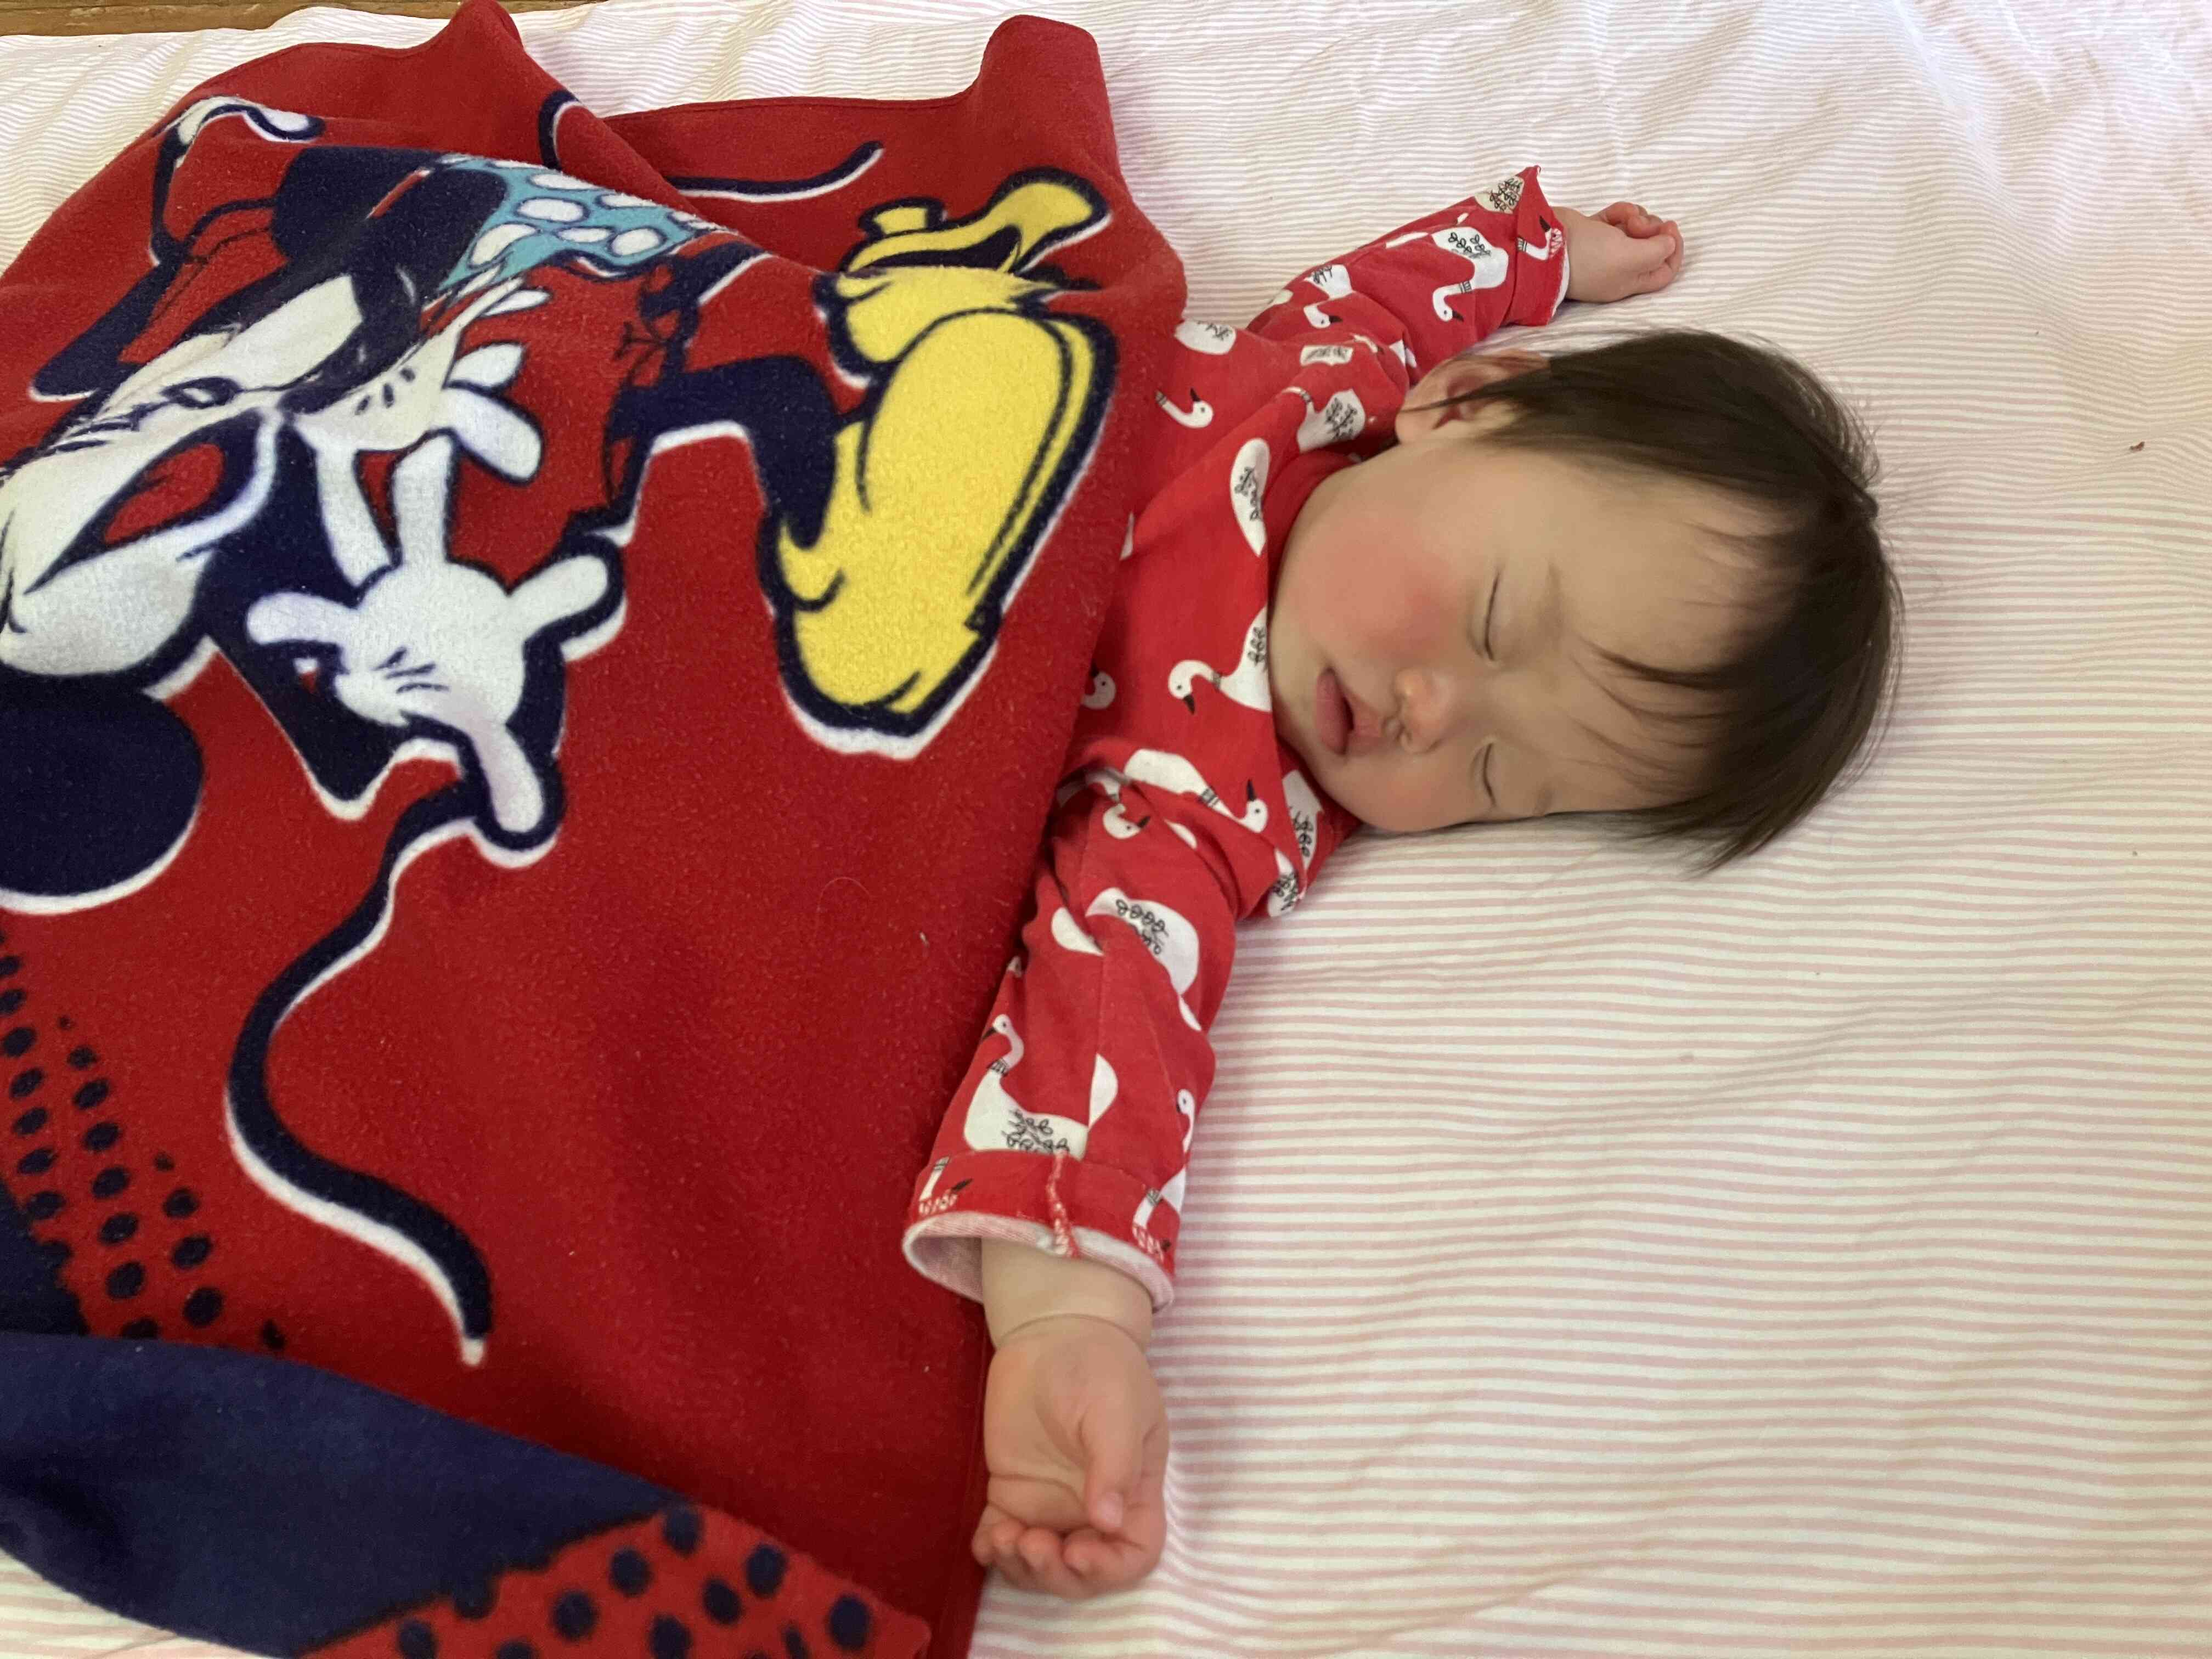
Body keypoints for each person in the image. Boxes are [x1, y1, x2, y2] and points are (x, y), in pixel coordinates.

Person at [900, 168, 1900, 1598]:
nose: (1431, 715)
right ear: (1465, 403)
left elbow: (1105, 1020)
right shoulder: (1319, 384)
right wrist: (1540, 249)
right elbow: (1395, 292)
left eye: (1499, 778)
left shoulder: (1205, 806)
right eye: (1491, 619)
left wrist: (1072, 1327)